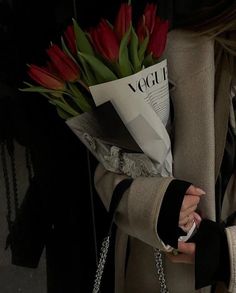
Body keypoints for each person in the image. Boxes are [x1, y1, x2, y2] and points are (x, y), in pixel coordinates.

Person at [93, 1, 236, 292]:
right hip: (163, 277)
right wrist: (159, 203)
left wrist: (226, 252)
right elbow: (109, 168)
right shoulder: (171, 45)